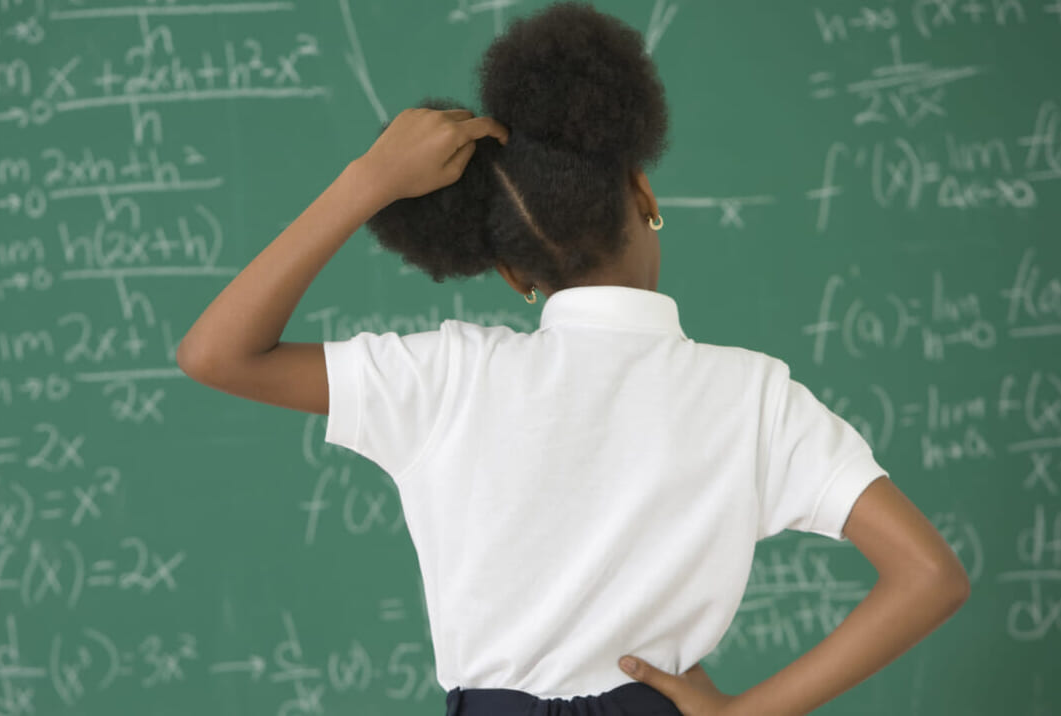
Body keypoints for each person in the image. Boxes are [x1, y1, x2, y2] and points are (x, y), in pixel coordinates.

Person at [176, 3, 970, 714]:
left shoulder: (443, 379)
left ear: (514, 275)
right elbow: (929, 577)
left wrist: (365, 184)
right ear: (645, 196)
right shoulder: (753, 397)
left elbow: (216, 353)